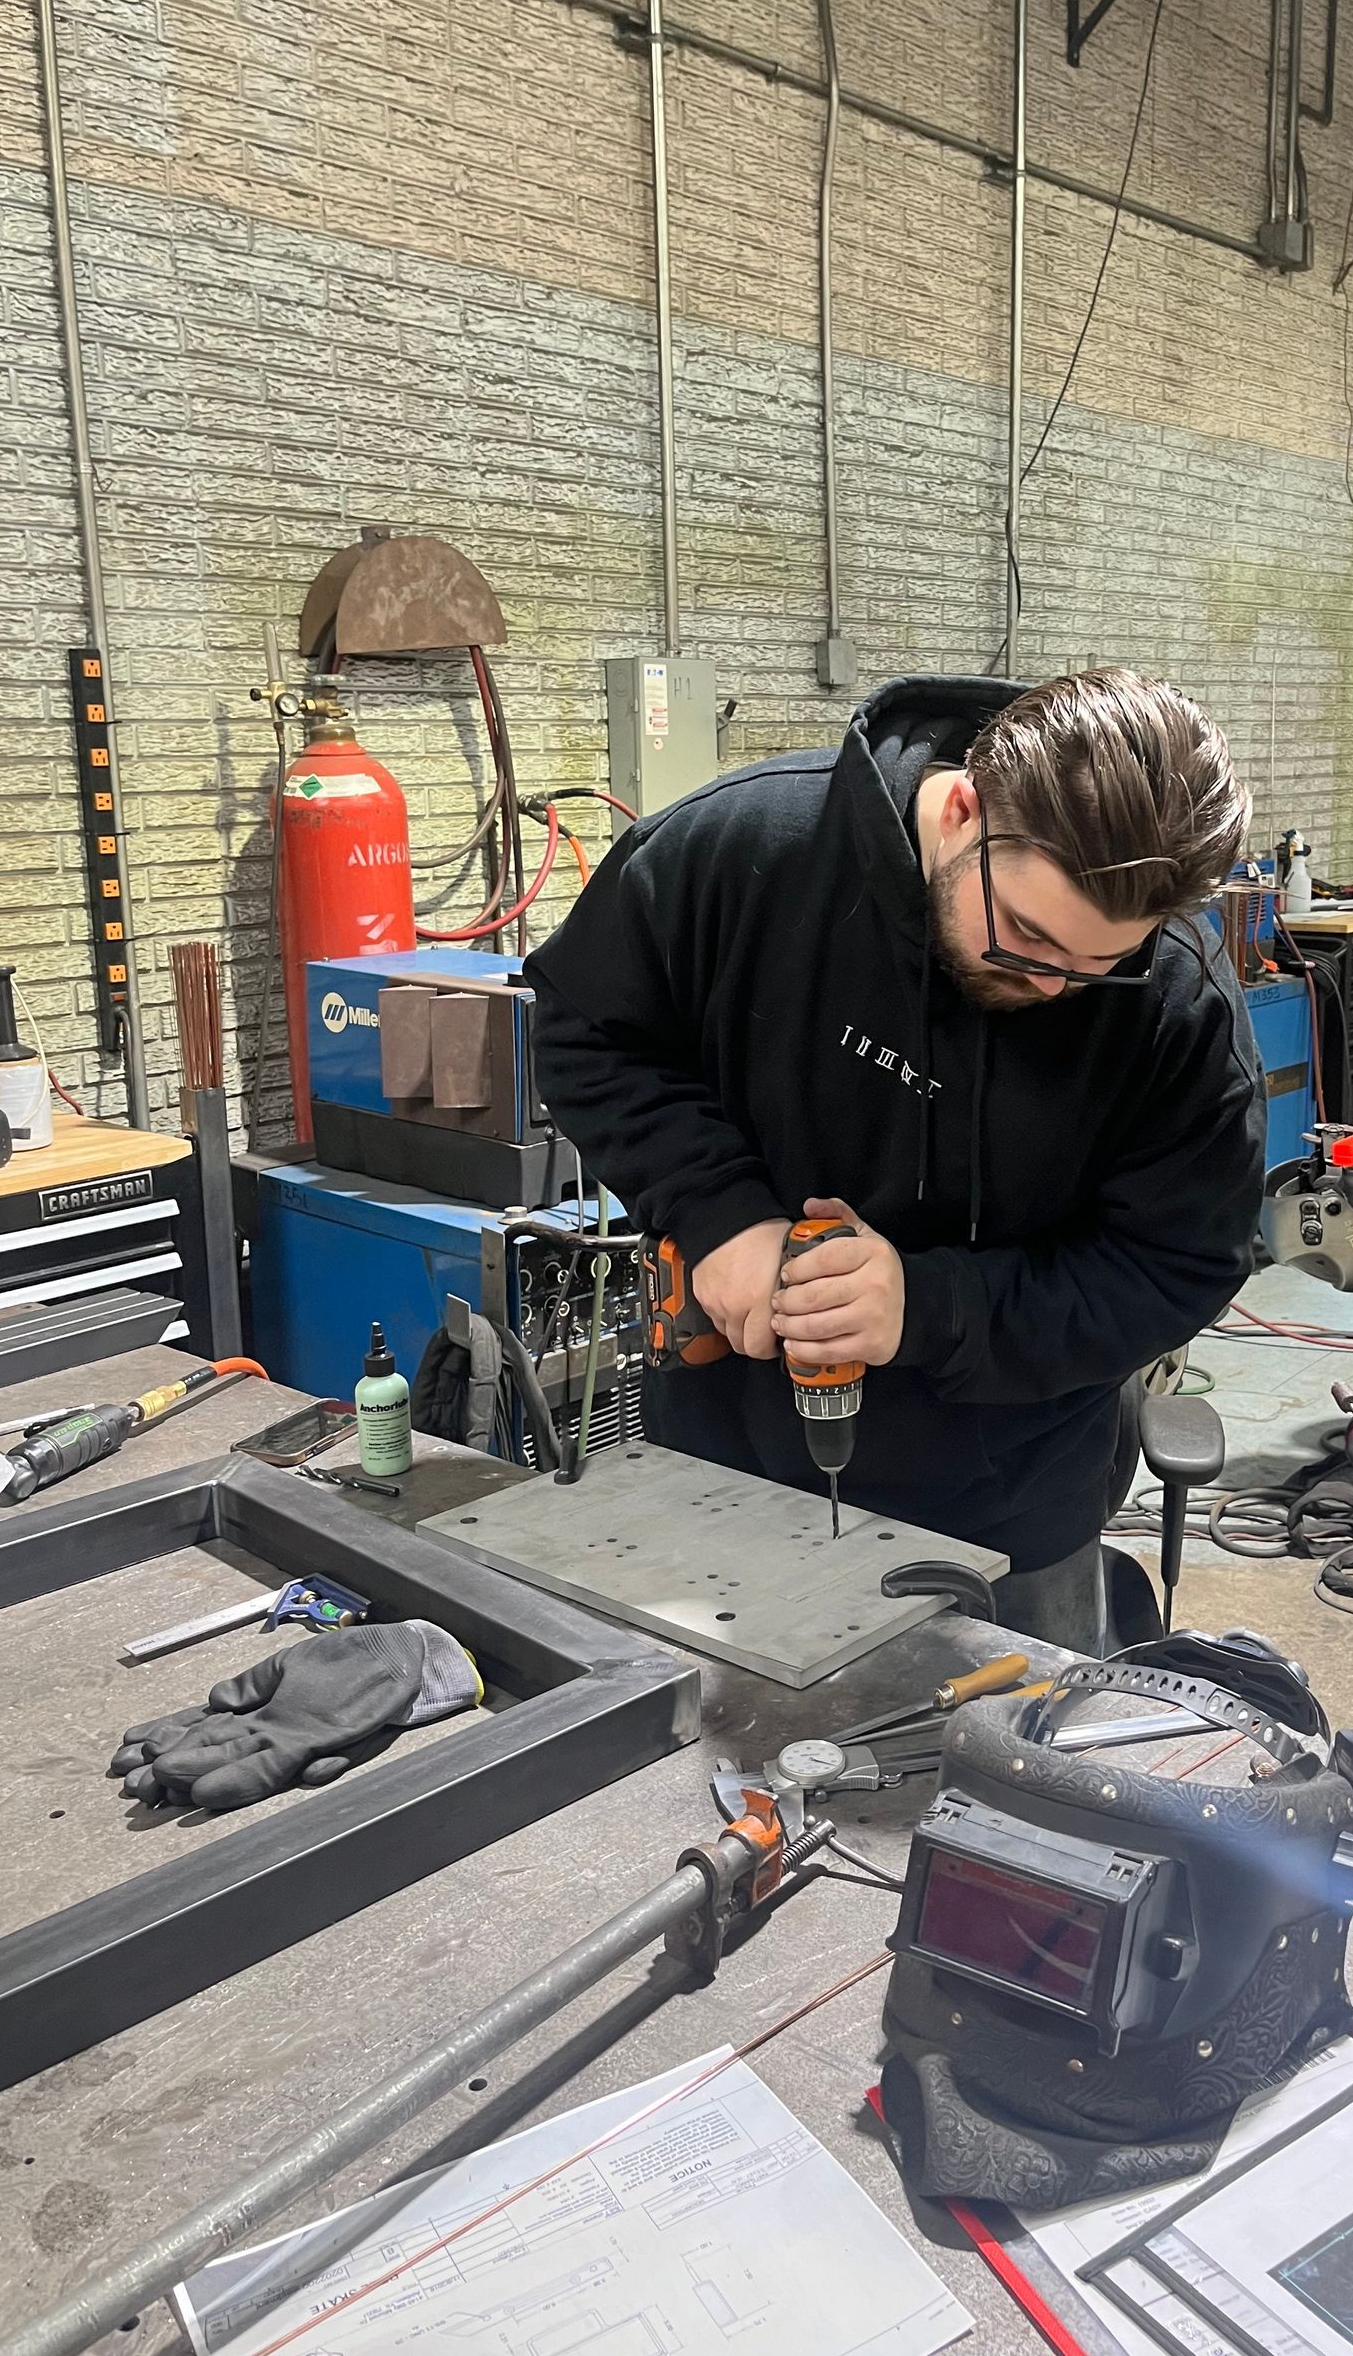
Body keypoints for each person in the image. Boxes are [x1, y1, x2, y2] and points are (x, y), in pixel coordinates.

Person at [524, 670, 1264, 1648]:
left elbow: (1180, 1264)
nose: (1051, 988)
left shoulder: (1175, 1001)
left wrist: (931, 1309)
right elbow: (582, 1024)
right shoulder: (738, 852)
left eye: (1097, 967)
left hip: (1013, 1514)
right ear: (964, 805)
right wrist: (717, 1210)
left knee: (1013, 1786)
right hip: (721, 1470)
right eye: (1029, 938)